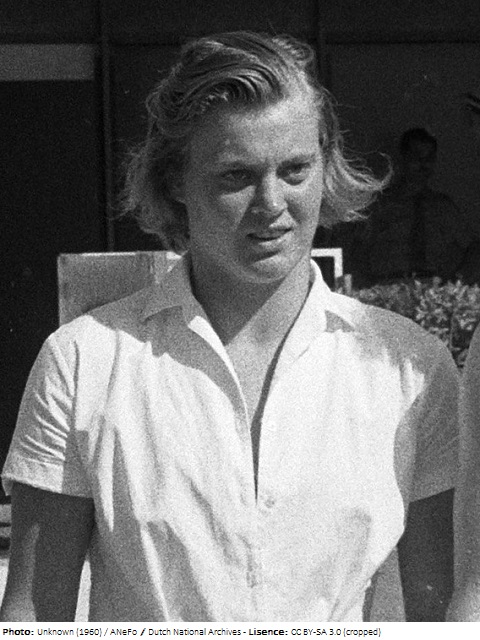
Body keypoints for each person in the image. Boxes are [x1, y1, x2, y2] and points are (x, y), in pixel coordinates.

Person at [0, 31, 458, 622]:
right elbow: (35, 616)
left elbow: (438, 611)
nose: (271, 203)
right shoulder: (83, 362)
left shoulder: (410, 368)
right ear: (175, 181)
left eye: (295, 170)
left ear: (325, 165)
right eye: (235, 176)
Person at [366, 128, 473, 284]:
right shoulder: (381, 205)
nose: (423, 164)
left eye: (429, 158)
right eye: (416, 157)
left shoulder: (443, 207)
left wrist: (457, 280)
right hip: (389, 285)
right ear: (403, 158)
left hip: (432, 287)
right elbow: (357, 250)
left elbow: (473, 247)